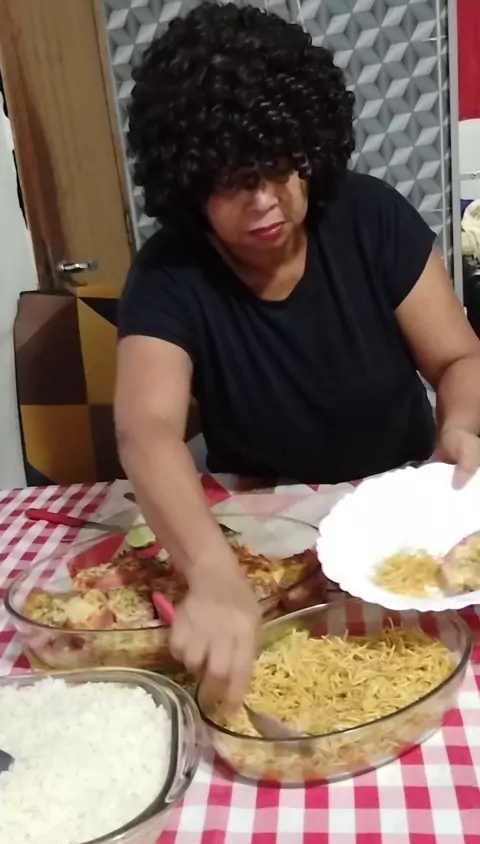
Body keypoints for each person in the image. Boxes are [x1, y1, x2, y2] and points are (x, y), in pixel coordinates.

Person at [115, 3, 480, 707]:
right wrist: (212, 572)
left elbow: (459, 360)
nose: (263, 201)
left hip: (394, 514)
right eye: (230, 181)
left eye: (277, 167)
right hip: (265, 533)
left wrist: (460, 425)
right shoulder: (168, 274)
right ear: (188, 184)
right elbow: (145, 428)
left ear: (308, 147)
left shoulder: (369, 216)